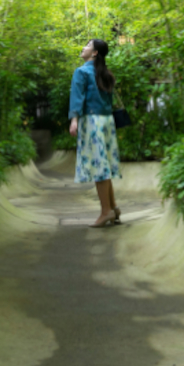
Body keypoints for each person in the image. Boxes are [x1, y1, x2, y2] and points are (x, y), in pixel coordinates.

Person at [68, 38, 122, 227]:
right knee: (104, 166)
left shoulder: (81, 72)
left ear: (95, 53)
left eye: (87, 45)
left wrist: (74, 120)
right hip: (107, 122)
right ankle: (113, 208)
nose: (83, 48)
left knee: (99, 168)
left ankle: (105, 212)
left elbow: (77, 98)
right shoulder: (105, 73)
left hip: (91, 122)